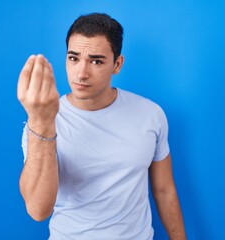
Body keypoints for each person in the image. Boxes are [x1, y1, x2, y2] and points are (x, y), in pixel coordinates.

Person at [17, 13, 186, 240]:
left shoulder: (150, 114)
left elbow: (165, 190)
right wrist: (42, 120)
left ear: (117, 64)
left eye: (96, 61)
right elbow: (38, 210)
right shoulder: (42, 120)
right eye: (73, 58)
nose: (81, 73)